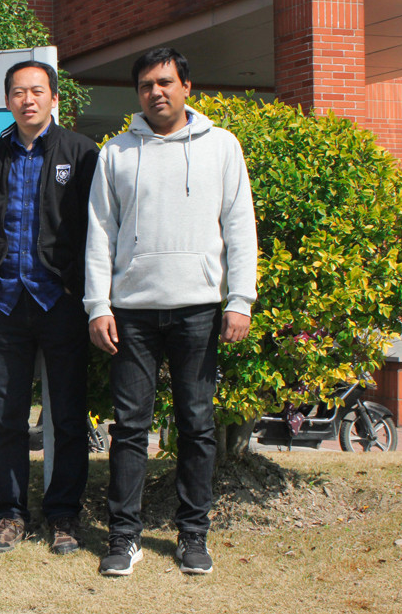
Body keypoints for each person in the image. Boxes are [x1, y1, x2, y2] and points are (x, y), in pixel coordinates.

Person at [85, 47, 257, 576]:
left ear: (187, 86)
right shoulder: (117, 153)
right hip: (132, 313)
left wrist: (240, 299)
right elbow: (100, 233)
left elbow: (239, 225)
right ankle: (124, 536)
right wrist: (97, 305)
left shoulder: (221, 146)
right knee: (130, 428)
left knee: (197, 425)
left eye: (164, 82)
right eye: (145, 85)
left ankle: (193, 536)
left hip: (198, 309)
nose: (155, 92)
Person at [0, 60, 99, 555]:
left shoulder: (81, 152)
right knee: (8, 418)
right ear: (8, 101)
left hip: (61, 301)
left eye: (37, 91)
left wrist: (81, 287)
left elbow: (96, 228)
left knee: (68, 416)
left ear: (53, 97)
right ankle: (11, 514)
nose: (28, 100)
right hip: (5, 303)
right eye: (19, 92)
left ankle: (63, 514)